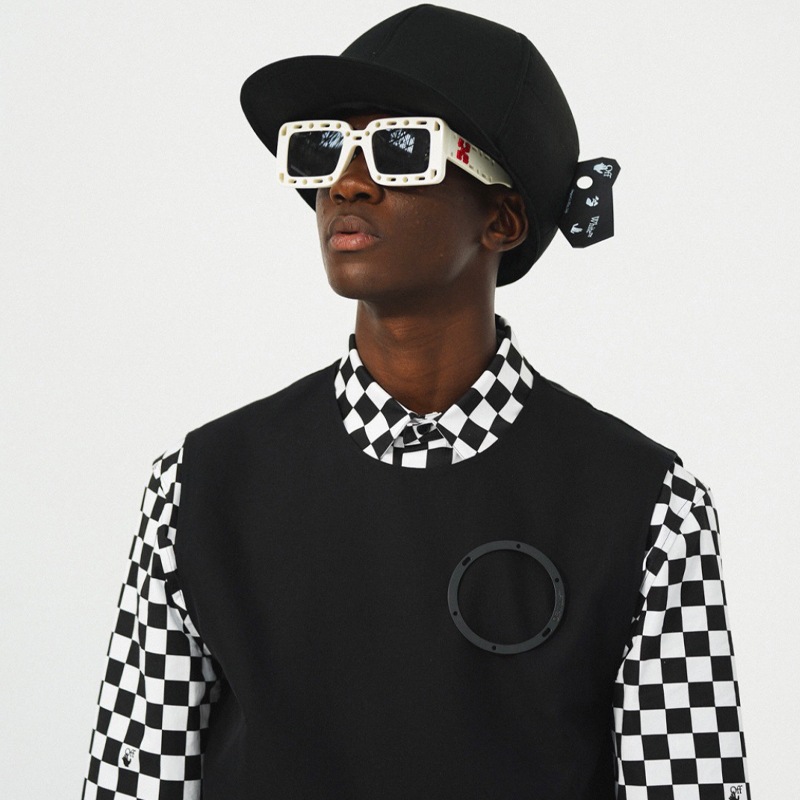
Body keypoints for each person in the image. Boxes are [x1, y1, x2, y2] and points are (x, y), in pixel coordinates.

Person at [82, 5, 750, 799]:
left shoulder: (647, 507)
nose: (347, 182)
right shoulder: (198, 489)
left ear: (503, 217)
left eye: (401, 149)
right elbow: (133, 781)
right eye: (323, 149)